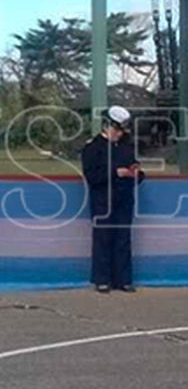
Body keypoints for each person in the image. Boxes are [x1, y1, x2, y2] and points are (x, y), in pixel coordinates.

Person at [81, 106, 145, 293]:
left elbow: (138, 173)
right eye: (116, 129)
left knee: (123, 239)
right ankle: (102, 279)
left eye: (122, 130)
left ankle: (123, 279)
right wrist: (115, 172)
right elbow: (92, 177)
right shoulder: (93, 148)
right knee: (103, 238)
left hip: (124, 199)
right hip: (103, 200)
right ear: (107, 125)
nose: (120, 133)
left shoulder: (126, 147)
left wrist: (135, 174)